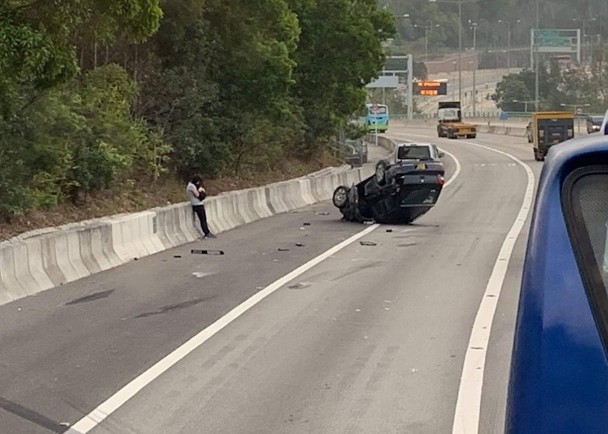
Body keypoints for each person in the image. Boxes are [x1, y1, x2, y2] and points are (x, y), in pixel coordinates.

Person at [186, 174, 216, 239]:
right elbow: (198, 195)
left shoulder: (191, 185)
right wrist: (201, 191)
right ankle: (206, 233)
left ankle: (207, 232)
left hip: (198, 204)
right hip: (197, 204)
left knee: (203, 219)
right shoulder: (191, 186)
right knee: (202, 219)